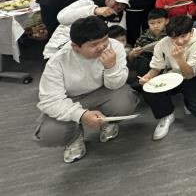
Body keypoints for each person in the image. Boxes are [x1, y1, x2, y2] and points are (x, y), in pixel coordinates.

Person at [34, 16, 138, 163]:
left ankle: (108, 122)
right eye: (94, 44)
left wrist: (111, 67)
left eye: (105, 40)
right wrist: (81, 115)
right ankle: (74, 138)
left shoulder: (115, 47)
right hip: (71, 99)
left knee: (125, 102)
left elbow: (116, 85)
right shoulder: (58, 61)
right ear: (75, 46)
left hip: (104, 91)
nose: (102, 47)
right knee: (50, 134)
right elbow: (49, 101)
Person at [139, 15, 196, 140]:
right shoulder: (163, 43)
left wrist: (180, 59)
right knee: (148, 89)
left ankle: (187, 101)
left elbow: (189, 74)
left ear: (191, 32)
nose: (179, 41)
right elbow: (156, 68)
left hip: (192, 77)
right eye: (174, 37)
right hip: (171, 76)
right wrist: (147, 77)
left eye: (183, 36)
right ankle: (167, 114)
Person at [43, 0, 132, 60]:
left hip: (88, 56)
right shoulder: (87, 3)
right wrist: (94, 10)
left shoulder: (120, 15)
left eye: (123, 4)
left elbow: (118, 37)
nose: (119, 6)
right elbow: (61, 17)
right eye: (117, 2)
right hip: (59, 51)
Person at [128, 8, 168, 81]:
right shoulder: (144, 35)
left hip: (165, 61)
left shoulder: (170, 33)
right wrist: (132, 54)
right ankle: (145, 81)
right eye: (152, 23)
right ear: (148, 23)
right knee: (142, 61)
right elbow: (133, 55)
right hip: (148, 62)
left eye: (159, 22)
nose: (155, 26)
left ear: (166, 21)